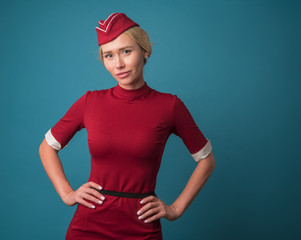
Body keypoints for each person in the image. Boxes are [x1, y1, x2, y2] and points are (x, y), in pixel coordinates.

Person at [39, 12, 215, 240]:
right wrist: (67, 194)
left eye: (126, 51)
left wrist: (175, 209)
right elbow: (47, 147)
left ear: (145, 51)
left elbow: (206, 160)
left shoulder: (170, 106)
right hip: (88, 226)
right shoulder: (90, 101)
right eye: (109, 55)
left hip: (142, 227)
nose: (118, 63)